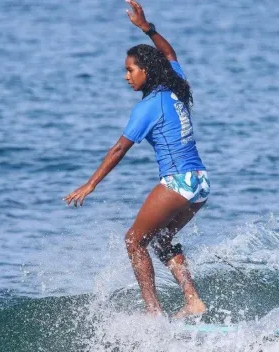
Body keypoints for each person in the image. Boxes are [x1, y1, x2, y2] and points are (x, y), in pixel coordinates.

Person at [63, 0, 209, 319]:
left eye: (130, 70)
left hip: (178, 181)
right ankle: (193, 301)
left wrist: (90, 184)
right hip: (200, 183)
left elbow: (119, 149)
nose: (127, 76)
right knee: (162, 240)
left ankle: (153, 314)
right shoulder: (176, 87)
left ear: (145, 70)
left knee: (133, 241)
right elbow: (170, 55)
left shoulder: (148, 107)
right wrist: (148, 29)